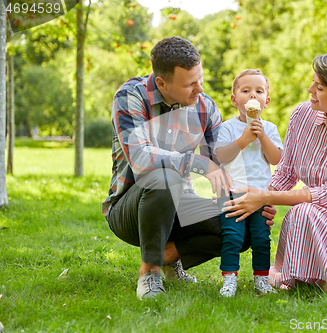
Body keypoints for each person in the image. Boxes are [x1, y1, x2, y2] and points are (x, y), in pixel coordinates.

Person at [101, 37, 276, 299]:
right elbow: (139, 156)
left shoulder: (204, 106)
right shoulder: (131, 96)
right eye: (190, 84)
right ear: (162, 83)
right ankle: (149, 272)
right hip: (132, 208)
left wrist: (257, 199)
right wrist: (197, 162)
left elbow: (222, 163)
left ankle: (169, 256)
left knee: (245, 223)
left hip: (182, 207)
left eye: (200, 79)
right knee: (165, 175)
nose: (200, 89)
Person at [222, 51, 327, 300]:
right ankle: (310, 277)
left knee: (303, 211)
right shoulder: (302, 115)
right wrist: (266, 202)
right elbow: (287, 170)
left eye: (319, 86)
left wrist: (265, 196)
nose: (309, 89)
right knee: (303, 212)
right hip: (311, 209)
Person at [214, 69, 283, 297]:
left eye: (258, 91)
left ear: (266, 101)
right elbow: (222, 157)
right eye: (246, 91)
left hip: (260, 194)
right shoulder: (228, 128)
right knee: (232, 237)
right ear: (235, 100)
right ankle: (229, 279)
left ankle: (261, 280)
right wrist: (244, 139)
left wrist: (262, 136)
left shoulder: (270, 129)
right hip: (232, 193)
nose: (253, 95)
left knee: (261, 239)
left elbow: (275, 159)